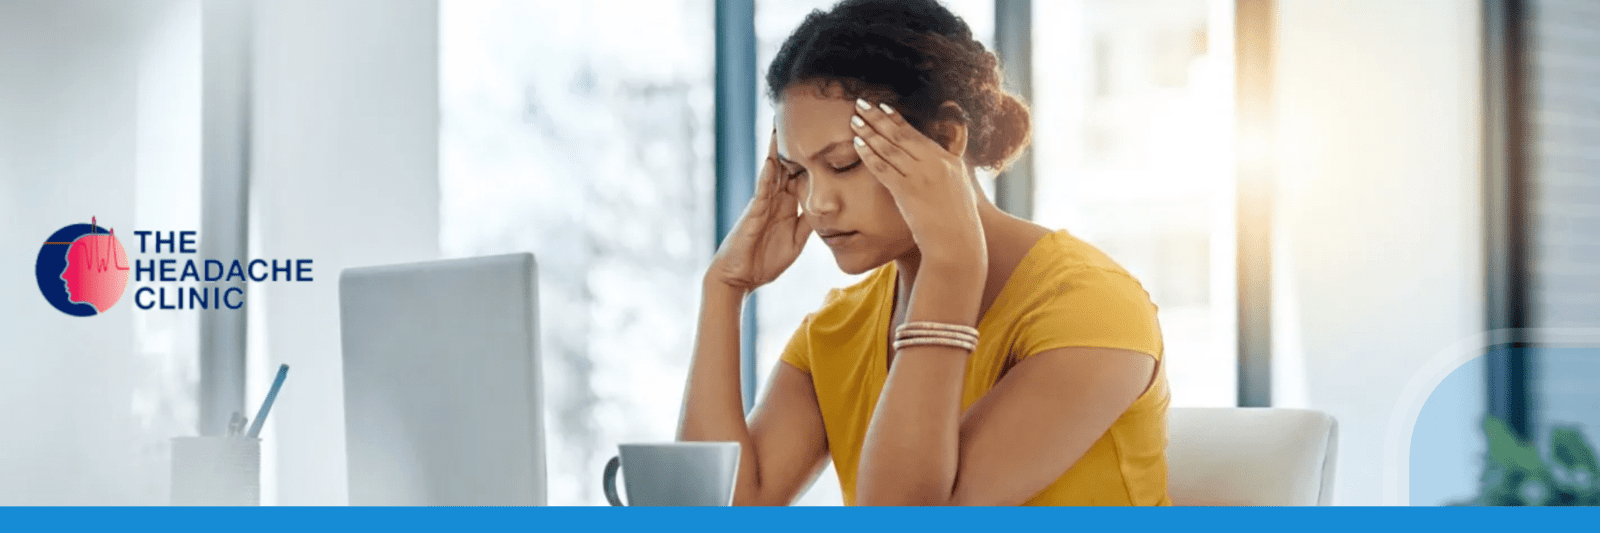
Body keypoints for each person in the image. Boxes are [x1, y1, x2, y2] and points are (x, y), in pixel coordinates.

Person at [677, 0, 1169, 506]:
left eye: (843, 164)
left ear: (947, 138)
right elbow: (715, 510)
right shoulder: (836, 332)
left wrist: (951, 266)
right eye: (797, 172)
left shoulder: (1093, 307)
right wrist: (723, 289)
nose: (816, 203)